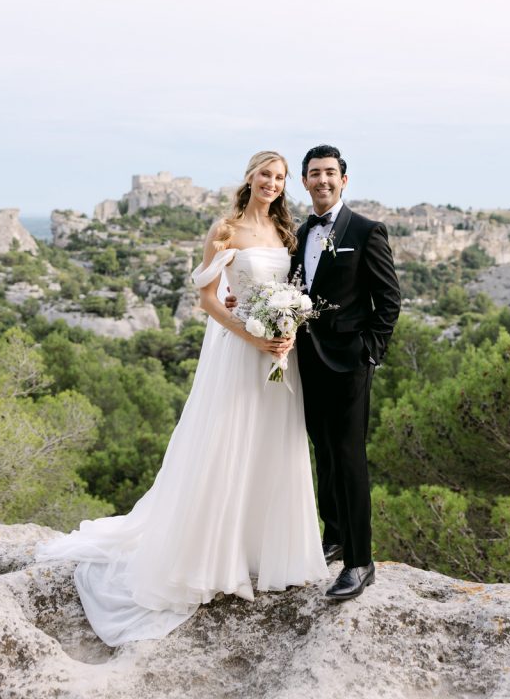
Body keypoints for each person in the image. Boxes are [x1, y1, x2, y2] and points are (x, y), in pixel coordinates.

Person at [35, 151, 328, 646]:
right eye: (265, 175)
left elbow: (292, 290)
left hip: (280, 354)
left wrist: (288, 332)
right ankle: (215, 558)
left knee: (271, 447)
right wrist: (252, 335)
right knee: (228, 444)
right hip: (240, 350)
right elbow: (209, 298)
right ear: (250, 177)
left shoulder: (287, 233)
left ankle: (263, 551)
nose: (272, 184)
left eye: (279, 179)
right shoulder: (225, 228)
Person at [228, 145, 401, 599]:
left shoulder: (366, 230)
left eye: (330, 173)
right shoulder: (298, 233)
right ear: (304, 183)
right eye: (313, 174)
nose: (322, 180)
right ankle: (335, 535)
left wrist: (370, 352)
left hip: (349, 365)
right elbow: (287, 289)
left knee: (348, 457)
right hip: (305, 362)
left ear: (344, 179)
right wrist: (240, 302)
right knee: (322, 452)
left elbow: (389, 301)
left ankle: (360, 563)